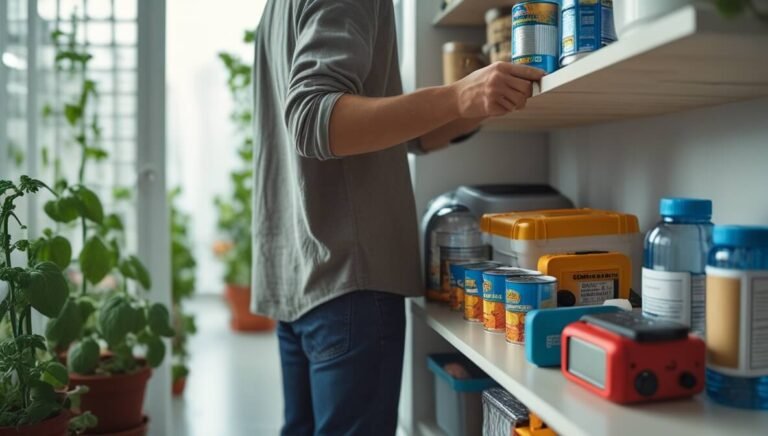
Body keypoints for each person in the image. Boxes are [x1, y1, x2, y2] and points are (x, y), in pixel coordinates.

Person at [251, 1, 544, 435]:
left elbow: (390, 132)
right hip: (349, 276)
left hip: (302, 272)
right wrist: (460, 94)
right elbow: (315, 119)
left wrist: (479, 99)